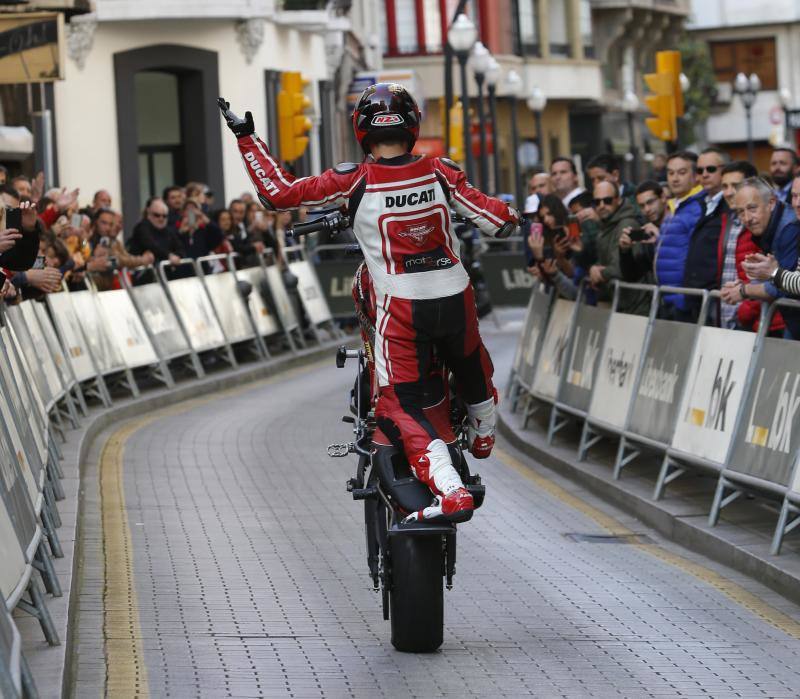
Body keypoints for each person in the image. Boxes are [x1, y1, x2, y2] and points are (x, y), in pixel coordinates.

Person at [219, 83, 518, 522]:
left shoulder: (353, 179)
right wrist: (513, 216)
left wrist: (247, 138)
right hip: (456, 295)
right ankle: (483, 430)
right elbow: (499, 222)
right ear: (412, 125)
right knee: (471, 357)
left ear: (362, 130)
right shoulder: (441, 170)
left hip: (401, 306)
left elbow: (277, 195)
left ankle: (449, 487)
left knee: (398, 404)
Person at [722, 177, 800, 338]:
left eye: (752, 208)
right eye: (740, 212)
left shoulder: (789, 227)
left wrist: (744, 291)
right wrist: (746, 285)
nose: (747, 218)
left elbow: (783, 287)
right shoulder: (772, 224)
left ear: (771, 203)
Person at [680, 147, 729, 320]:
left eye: (711, 169)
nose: (705, 174)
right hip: (694, 294)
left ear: (723, 170)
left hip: (717, 296)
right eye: (700, 170)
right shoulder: (697, 203)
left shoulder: (731, 204)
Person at [655, 151, 704, 319]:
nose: (675, 178)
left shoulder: (697, 207)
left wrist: (686, 298)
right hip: (667, 296)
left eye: (682, 173)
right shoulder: (674, 207)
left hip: (684, 300)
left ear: (696, 176)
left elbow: (697, 257)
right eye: (670, 173)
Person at [589, 181, 648, 313]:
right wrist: (594, 269)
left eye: (607, 200)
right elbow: (607, 259)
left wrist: (600, 273)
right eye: (597, 202)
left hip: (636, 305)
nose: (602, 206)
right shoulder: (606, 225)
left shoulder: (627, 224)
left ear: (618, 200)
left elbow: (624, 267)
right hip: (622, 303)